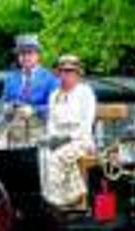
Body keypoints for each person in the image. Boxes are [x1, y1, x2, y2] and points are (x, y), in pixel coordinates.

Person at [41, 54, 97, 208]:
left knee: (57, 156)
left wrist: (66, 139)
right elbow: (51, 123)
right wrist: (51, 139)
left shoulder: (85, 92)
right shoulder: (54, 95)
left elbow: (87, 124)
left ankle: (60, 201)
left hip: (81, 139)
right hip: (58, 137)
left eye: (70, 72)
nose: (66, 75)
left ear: (77, 74)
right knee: (40, 152)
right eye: (63, 72)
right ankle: (50, 196)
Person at [0, 34, 60, 147]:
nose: (26, 57)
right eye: (22, 54)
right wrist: (7, 108)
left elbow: (56, 108)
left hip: (40, 129)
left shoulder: (50, 79)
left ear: (37, 55)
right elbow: (3, 105)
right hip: (14, 130)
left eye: (29, 53)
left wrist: (34, 110)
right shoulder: (10, 79)